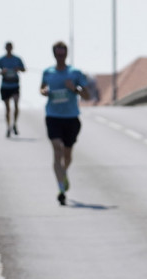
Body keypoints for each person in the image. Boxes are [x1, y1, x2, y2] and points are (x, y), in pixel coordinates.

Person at [40, 40, 90, 206]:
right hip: (53, 116)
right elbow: (41, 88)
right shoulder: (48, 72)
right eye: (57, 53)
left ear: (66, 54)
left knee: (67, 154)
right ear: (54, 54)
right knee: (57, 149)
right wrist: (44, 92)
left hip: (71, 118)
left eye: (63, 53)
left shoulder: (74, 73)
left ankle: (64, 173)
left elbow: (88, 96)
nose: (60, 56)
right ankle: (61, 188)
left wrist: (74, 89)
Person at [0, 42, 26, 137]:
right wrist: (1, 71)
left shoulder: (17, 59)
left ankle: (15, 124)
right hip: (5, 86)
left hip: (15, 85)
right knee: (7, 108)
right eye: (7, 47)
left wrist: (19, 69)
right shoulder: (1, 59)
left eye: (10, 47)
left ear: (12, 48)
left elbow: (24, 69)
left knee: (16, 105)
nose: (9, 49)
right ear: (5, 48)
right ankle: (8, 127)